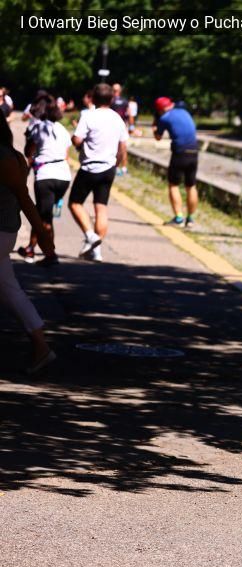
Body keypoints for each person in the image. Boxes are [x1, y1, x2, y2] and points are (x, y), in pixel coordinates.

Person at [0, 115, 57, 373]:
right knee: (10, 290)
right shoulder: (13, 156)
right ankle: (41, 347)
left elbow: (24, 199)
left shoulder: (5, 159)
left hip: (1, 231)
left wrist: (44, 237)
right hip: (5, 233)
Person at [69, 83, 128, 263]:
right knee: (101, 207)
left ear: (93, 98)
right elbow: (123, 146)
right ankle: (96, 251)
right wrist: (116, 164)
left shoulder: (88, 116)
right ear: (112, 99)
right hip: (108, 168)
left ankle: (90, 235)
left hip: (89, 168)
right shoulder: (117, 118)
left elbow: (77, 139)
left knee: (75, 203)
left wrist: (77, 141)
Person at [19, 93, 68, 266]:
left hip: (46, 175)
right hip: (64, 176)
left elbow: (28, 152)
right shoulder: (62, 129)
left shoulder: (38, 127)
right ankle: (32, 248)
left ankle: (50, 254)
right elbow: (66, 154)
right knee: (43, 214)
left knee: (44, 218)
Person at [153, 97, 200, 228]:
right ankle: (190, 219)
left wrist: (155, 126)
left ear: (160, 109)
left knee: (173, 185)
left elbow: (158, 137)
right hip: (194, 150)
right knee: (191, 186)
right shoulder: (185, 112)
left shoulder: (164, 118)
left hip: (180, 152)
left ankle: (178, 218)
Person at [110, 84, 130, 175]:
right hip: (114, 127)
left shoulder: (121, 101)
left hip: (120, 127)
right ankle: (117, 167)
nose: (115, 92)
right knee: (117, 147)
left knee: (122, 147)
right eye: (114, 90)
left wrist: (131, 126)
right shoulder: (112, 101)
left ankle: (123, 167)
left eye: (116, 90)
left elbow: (129, 114)